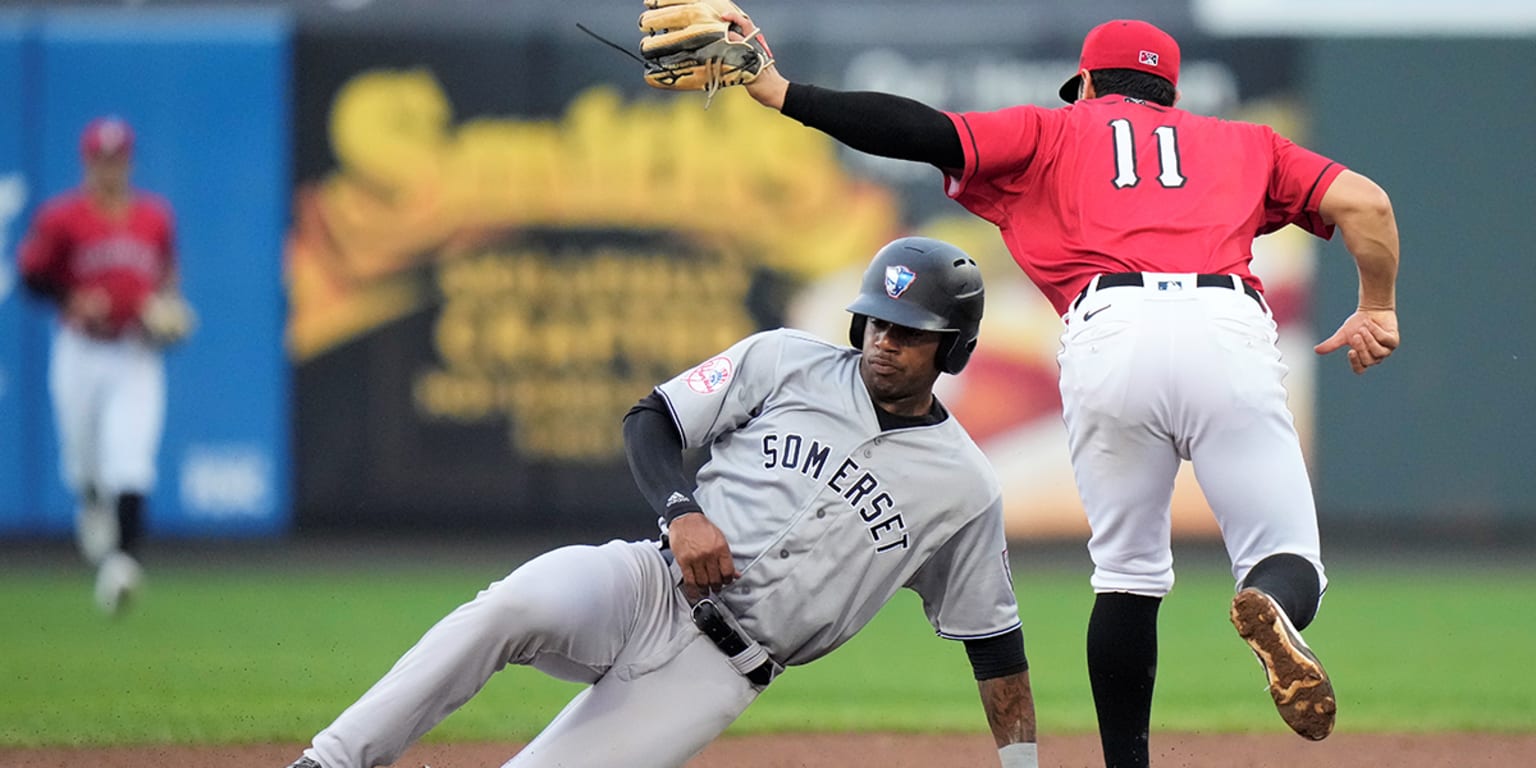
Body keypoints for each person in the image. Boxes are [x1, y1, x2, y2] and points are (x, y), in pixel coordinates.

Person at [702, 13, 1401, 767]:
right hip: (1226, 324)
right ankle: (1272, 603)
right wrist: (1377, 305)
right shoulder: (1247, 143)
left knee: (1129, 574)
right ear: (1170, 91)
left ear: (1090, 84)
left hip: (1109, 327)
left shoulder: (1053, 130)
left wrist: (780, 90)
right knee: (1288, 556)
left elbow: (920, 129)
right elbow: (1367, 205)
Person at [283, 237, 1040, 768]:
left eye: (909, 333)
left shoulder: (965, 488)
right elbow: (653, 418)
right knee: (508, 608)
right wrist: (682, 511)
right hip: (647, 585)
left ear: (955, 349)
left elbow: (994, 640)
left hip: (720, 674)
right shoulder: (785, 359)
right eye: (878, 320)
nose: (884, 341)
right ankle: (330, 762)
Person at [18, 116, 182, 616]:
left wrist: (169, 314)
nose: (110, 168)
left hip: (135, 350)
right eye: (101, 159)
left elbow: (167, 280)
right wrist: (71, 297)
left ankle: (123, 564)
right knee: (84, 458)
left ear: (128, 161)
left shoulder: (154, 217)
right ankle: (91, 502)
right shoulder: (62, 218)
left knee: (131, 457)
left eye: (118, 158)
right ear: (87, 162)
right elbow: (31, 277)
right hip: (82, 350)